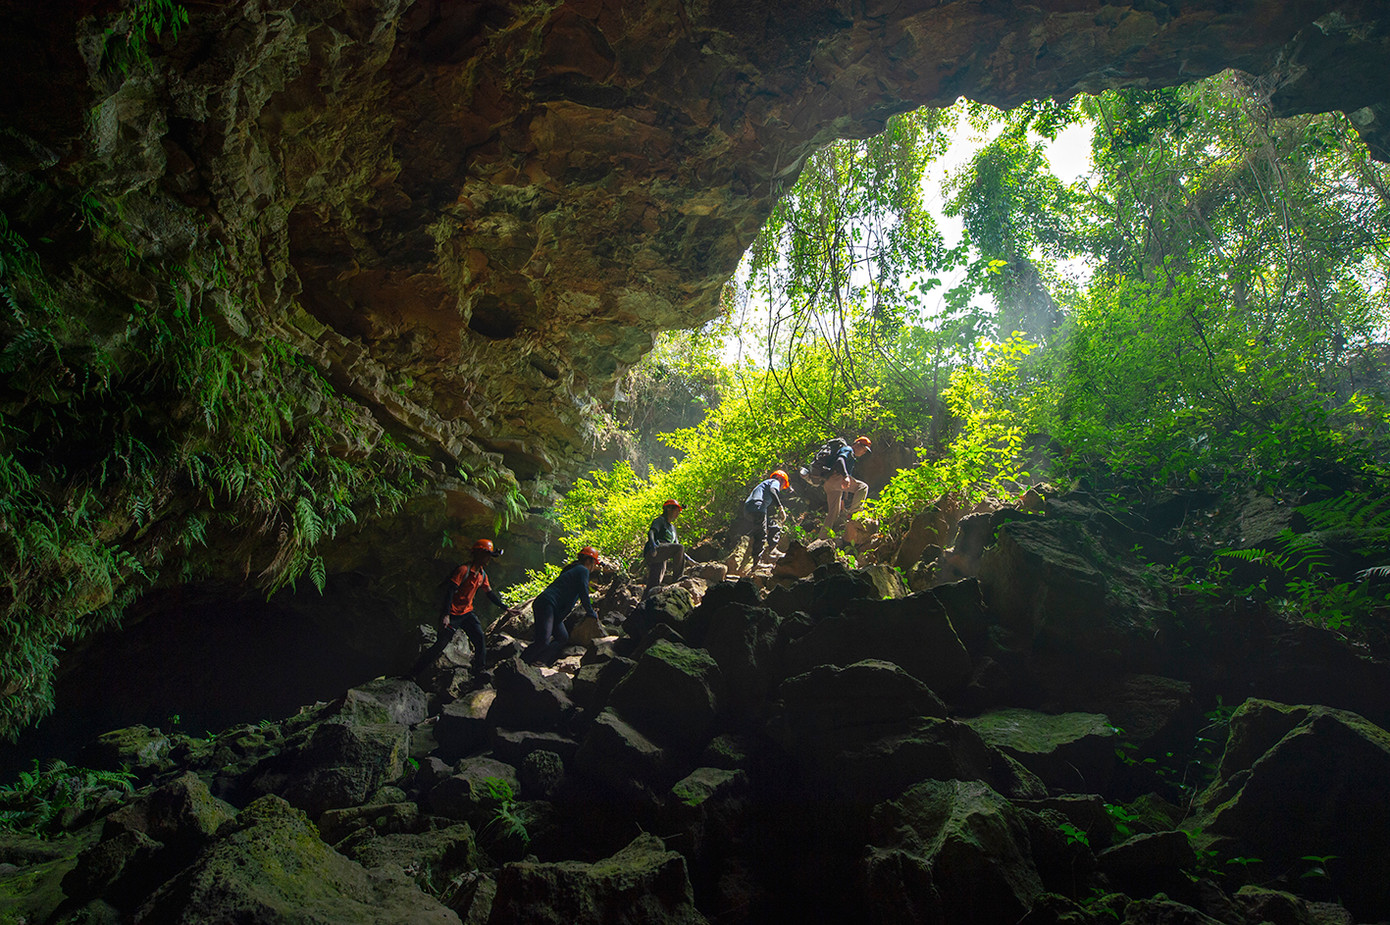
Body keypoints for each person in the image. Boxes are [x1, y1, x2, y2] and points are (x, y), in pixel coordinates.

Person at [434, 538, 516, 677]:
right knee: (440, 645)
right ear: (478, 554)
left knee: (479, 639)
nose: (489, 559)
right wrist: (446, 615)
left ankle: (479, 671)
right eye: (487, 555)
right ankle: (413, 673)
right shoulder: (463, 570)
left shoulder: (482, 575)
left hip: (467, 614)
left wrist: (506, 608)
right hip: (453, 614)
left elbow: (489, 593)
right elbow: (449, 592)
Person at [522, 546, 600, 666]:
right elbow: (584, 593)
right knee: (543, 641)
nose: (594, 567)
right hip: (548, 604)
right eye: (594, 563)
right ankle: (519, 662)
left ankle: (540, 660)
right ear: (590, 561)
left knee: (562, 637)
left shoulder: (574, 569)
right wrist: (591, 612)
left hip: (551, 607)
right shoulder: (582, 570)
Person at [821, 436, 871, 537]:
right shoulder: (848, 449)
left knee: (833, 514)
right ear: (857, 444)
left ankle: (822, 538)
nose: (863, 452)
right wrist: (845, 476)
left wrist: (842, 499)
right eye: (864, 449)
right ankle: (855, 514)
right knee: (863, 487)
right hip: (836, 478)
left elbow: (844, 486)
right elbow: (840, 460)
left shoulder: (851, 455)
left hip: (829, 483)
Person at [742, 470, 790, 563]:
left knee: (772, 526)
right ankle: (765, 557)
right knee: (761, 535)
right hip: (758, 507)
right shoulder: (774, 481)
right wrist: (780, 508)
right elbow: (773, 491)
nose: (781, 487)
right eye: (783, 484)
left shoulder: (764, 484)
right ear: (780, 479)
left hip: (749, 509)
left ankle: (760, 556)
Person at [643, 499, 685, 598]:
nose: (678, 513)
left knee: (654, 582)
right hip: (657, 549)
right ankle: (678, 578)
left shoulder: (673, 528)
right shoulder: (660, 520)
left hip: (663, 555)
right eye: (676, 510)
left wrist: (691, 561)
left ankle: (643, 603)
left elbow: (678, 548)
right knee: (679, 548)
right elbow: (651, 532)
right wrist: (653, 546)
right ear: (668, 509)